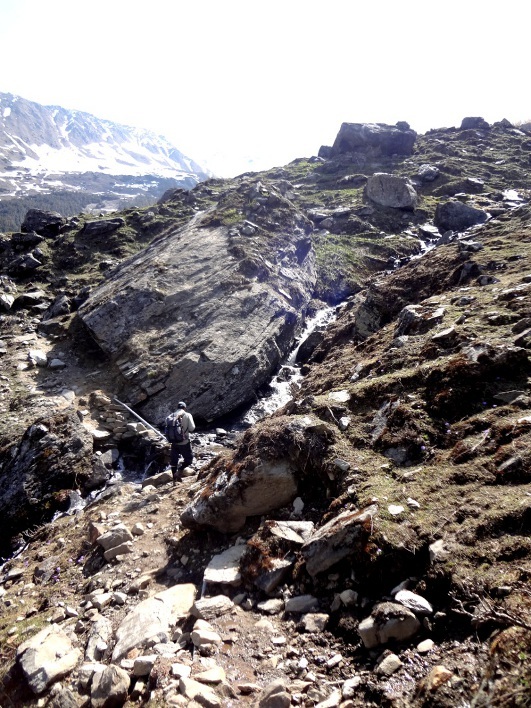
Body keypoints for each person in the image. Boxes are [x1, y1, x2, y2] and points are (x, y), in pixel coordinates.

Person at [164, 401, 195, 483]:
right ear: (185, 408)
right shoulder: (187, 415)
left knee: (174, 461)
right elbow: (192, 428)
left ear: (177, 407)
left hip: (173, 442)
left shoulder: (170, 416)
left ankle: (174, 479)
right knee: (189, 459)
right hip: (184, 442)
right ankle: (180, 470)